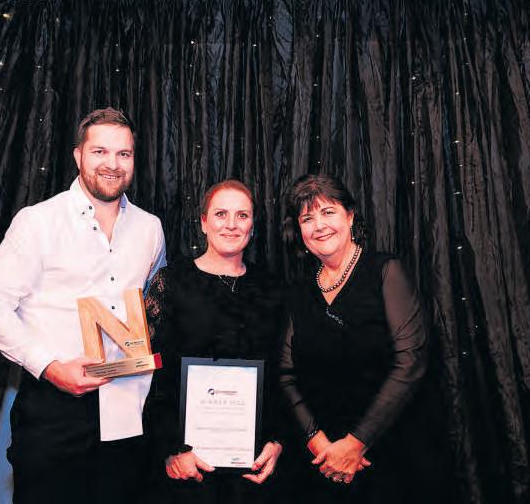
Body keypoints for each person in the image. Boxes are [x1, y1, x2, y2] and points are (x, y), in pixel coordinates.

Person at [0, 107, 166, 504]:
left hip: (127, 413)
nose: (112, 164)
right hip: (53, 412)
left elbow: (153, 307)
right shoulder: (38, 221)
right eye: (100, 152)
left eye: (124, 154)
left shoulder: (150, 228)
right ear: (78, 155)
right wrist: (50, 367)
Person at [279, 173, 444, 503]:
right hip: (320, 461)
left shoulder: (386, 271)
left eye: (329, 212)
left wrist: (356, 443)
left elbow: (410, 361)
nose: (319, 226)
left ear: (350, 216)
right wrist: (317, 442)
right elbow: (284, 373)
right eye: (307, 219)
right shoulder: (298, 291)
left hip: (389, 453)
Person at [143, 180, 285, 504]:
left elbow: (282, 374)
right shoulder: (172, 282)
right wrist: (170, 450)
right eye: (221, 214)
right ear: (204, 222)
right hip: (185, 466)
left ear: (252, 226)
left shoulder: (273, 288)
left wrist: (277, 442)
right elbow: (152, 376)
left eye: (242, 215)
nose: (231, 224)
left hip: (254, 466)